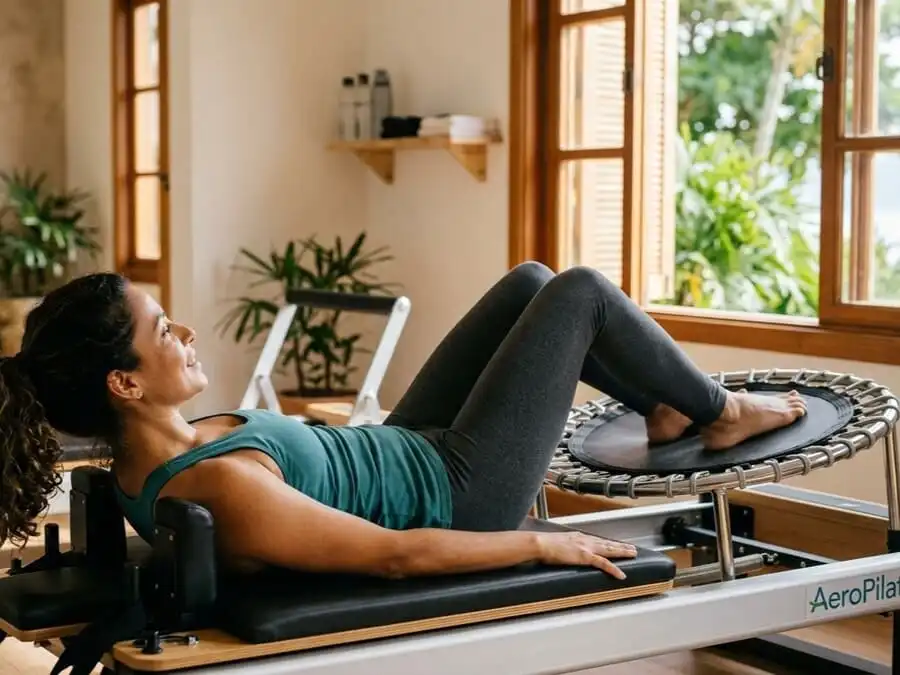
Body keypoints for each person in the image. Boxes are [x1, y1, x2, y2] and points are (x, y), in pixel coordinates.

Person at [0, 263, 806, 581]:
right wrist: (538, 538)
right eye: (163, 328)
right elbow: (394, 553)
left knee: (530, 283)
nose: (187, 333)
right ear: (123, 382)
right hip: (459, 490)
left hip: (406, 445)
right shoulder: (217, 483)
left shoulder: (161, 449)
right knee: (580, 293)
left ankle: (665, 404)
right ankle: (720, 410)